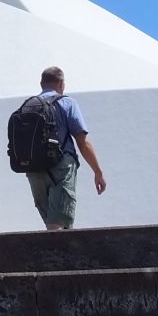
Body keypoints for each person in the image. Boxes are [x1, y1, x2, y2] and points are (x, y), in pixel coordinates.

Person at [26, 66, 106, 230]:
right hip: (60, 168)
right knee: (58, 224)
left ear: (42, 84)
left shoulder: (28, 105)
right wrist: (98, 171)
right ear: (62, 84)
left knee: (52, 222)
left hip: (33, 170)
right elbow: (82, 142)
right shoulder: (66, 103)